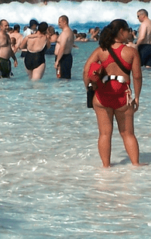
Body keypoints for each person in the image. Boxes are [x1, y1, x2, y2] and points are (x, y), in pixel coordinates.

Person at [83, 19, 143, 168]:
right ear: (121, 31)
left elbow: (86, 71)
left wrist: (90, 89)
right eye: (128, 29)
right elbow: (137, 76)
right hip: (123, 97)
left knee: (104, 134)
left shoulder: (100, 51)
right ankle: (136, 165)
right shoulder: (131, 52)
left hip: (102, 98)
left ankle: (106, 167)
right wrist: (137, 97)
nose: (129, 32)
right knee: (127, 134)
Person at [55, 15, 75, 80]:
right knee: (65, 78)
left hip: (63, 58)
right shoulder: (70, 32)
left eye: (59, 22)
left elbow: (62, 47)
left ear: (64, 22)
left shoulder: (65, 33)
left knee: (62, 79)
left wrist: (57, 61)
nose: (58, 24)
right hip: (67, 56)